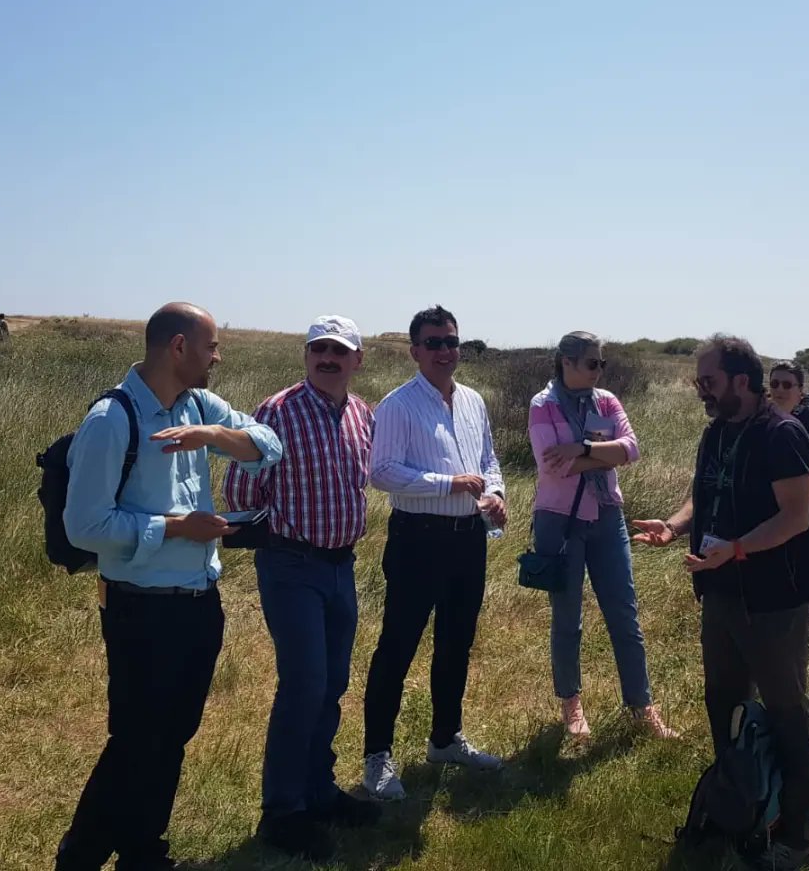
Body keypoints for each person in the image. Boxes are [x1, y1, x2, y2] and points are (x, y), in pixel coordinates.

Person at [55, 302, 282, 871]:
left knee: (172, 734)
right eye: (210, 347)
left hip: (198, 602)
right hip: (140, 609)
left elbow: (268, 446)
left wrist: (211, 434)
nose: (217, 358)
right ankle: (79, 858)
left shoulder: (197, 404)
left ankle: (142, 853)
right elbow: (84, 527)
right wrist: (179, 527)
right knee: (136, 741)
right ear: (178, 348)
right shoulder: (112, 419)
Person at [633, 335, 809, 871]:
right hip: (720, 595)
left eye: (709, 382)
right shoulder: (718, 431)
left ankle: (794, 838)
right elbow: (706, 491)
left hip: (775, 601)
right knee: (726, 705)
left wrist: (736, 550)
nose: (702, 391)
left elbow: (795, 517)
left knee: (787, 716)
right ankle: (740, 811)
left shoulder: (783, 435)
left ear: (743, 381)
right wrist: (674, 528)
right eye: (699, 382)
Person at [224, 316, 379, 863]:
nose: (327, 358)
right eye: (319, 349)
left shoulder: (363, 414)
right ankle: (283, 812)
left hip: (342, 567)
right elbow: (241, 489)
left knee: (333, 683)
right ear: (306, 356)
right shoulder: (277, 412)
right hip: (291, 565)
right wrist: (267, 538)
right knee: (304, 684)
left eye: (339, 350)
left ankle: (319, 791)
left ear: (358, 360)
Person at [362, 305, 507, 801]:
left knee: (456, 643)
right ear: (415, 351)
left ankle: (445, 739)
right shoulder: (398, 405)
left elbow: (488, 460)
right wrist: (449, 484)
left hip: (469, 539)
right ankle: (376, 756)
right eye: (434, 343)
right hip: (417, 539)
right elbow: (382, 472)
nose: (445, 351)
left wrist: (496, 497)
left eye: (452, 341)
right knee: (397, 647)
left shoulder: (471, 401)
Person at [527, 332, 676, 740]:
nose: (599, 370)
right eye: (592, 363)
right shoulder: (543, 405)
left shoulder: (607, 401)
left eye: (601, 364)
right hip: (560, 520)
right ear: (566, 362)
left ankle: (642, 707)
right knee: (567, 618)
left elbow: (632, 449)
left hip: (608, 517)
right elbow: (551, 465)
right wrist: (596, 453)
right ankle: (571, 704)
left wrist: (578, 447)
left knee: (624, 614)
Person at [768, 362, 809, 641]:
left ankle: (807, 617)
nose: (779, 390)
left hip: (807, 507)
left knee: (805, 561)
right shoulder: (762, 425)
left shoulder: (808, 424)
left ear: (801, 391)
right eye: (774, 383)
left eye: (787, 385)